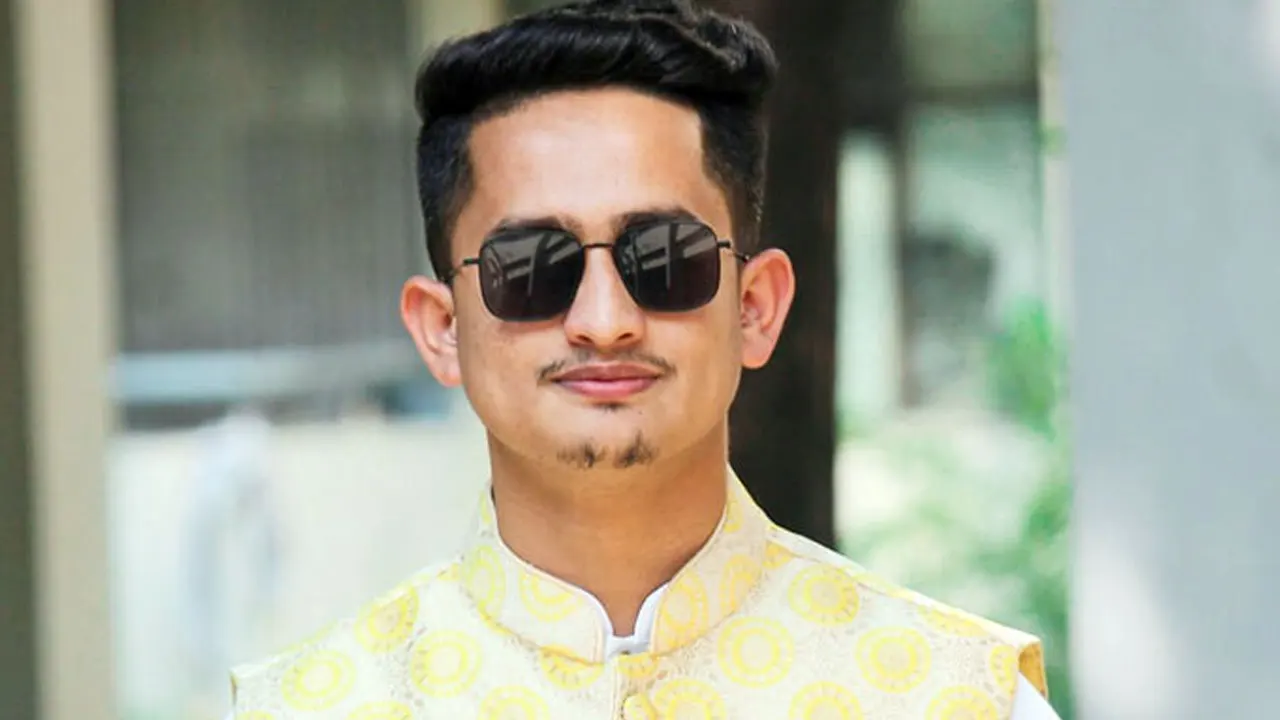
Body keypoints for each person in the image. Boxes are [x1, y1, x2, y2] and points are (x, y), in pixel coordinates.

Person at [229, 1, 1061, 717]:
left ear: (755, 307)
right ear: (443, 328)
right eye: (532, 267)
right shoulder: (305, 708)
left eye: (663, 258)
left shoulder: (959, 697)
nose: (604, 321)